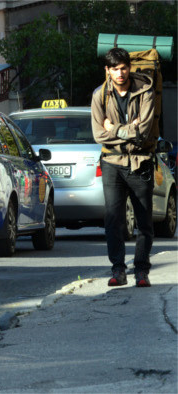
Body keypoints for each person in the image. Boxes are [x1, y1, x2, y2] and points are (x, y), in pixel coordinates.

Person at [91, 47, 156, 287]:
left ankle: (141, 271)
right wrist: (128, 129)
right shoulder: (99, 95)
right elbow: (99, 135)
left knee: (144, 222)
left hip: (140, 162)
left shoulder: (145, 91)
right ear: (107, 70)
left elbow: (144, 131)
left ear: (130, 68)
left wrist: (114, 129)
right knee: (113, 220)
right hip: (111, 163)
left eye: (124, 68)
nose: (121, 73)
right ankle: (118, 270)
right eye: (115, 69)